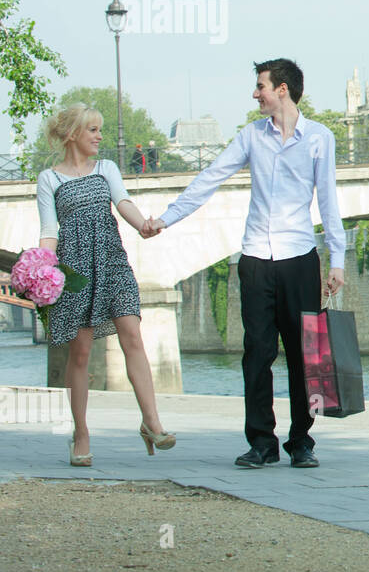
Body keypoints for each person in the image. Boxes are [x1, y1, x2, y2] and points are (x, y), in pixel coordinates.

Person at [145, 59, 345, 469]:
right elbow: (209, 178)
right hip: (255, 258)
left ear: (283, 89)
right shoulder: (251, 137)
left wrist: (336, 260)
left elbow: (328, 201)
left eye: (261, 86)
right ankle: (261, 442)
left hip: (299, 258)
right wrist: (166, 218)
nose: (256, 94)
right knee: (256, 353)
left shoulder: (320, 139)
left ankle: (301, 442)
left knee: (304, 355)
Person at [36, 103, 175, 467]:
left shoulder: (107, 169)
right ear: (72, 135)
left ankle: (152, 421)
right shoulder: (49, 179)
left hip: (113, 263)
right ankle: (81, 434)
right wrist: (39, 265)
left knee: (133, 336)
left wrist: (143, 224)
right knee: (80, 355)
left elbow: (123, 203)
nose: (100, 136)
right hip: (76, 272)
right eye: (93, 130)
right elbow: (50, 232)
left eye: (100, 129)